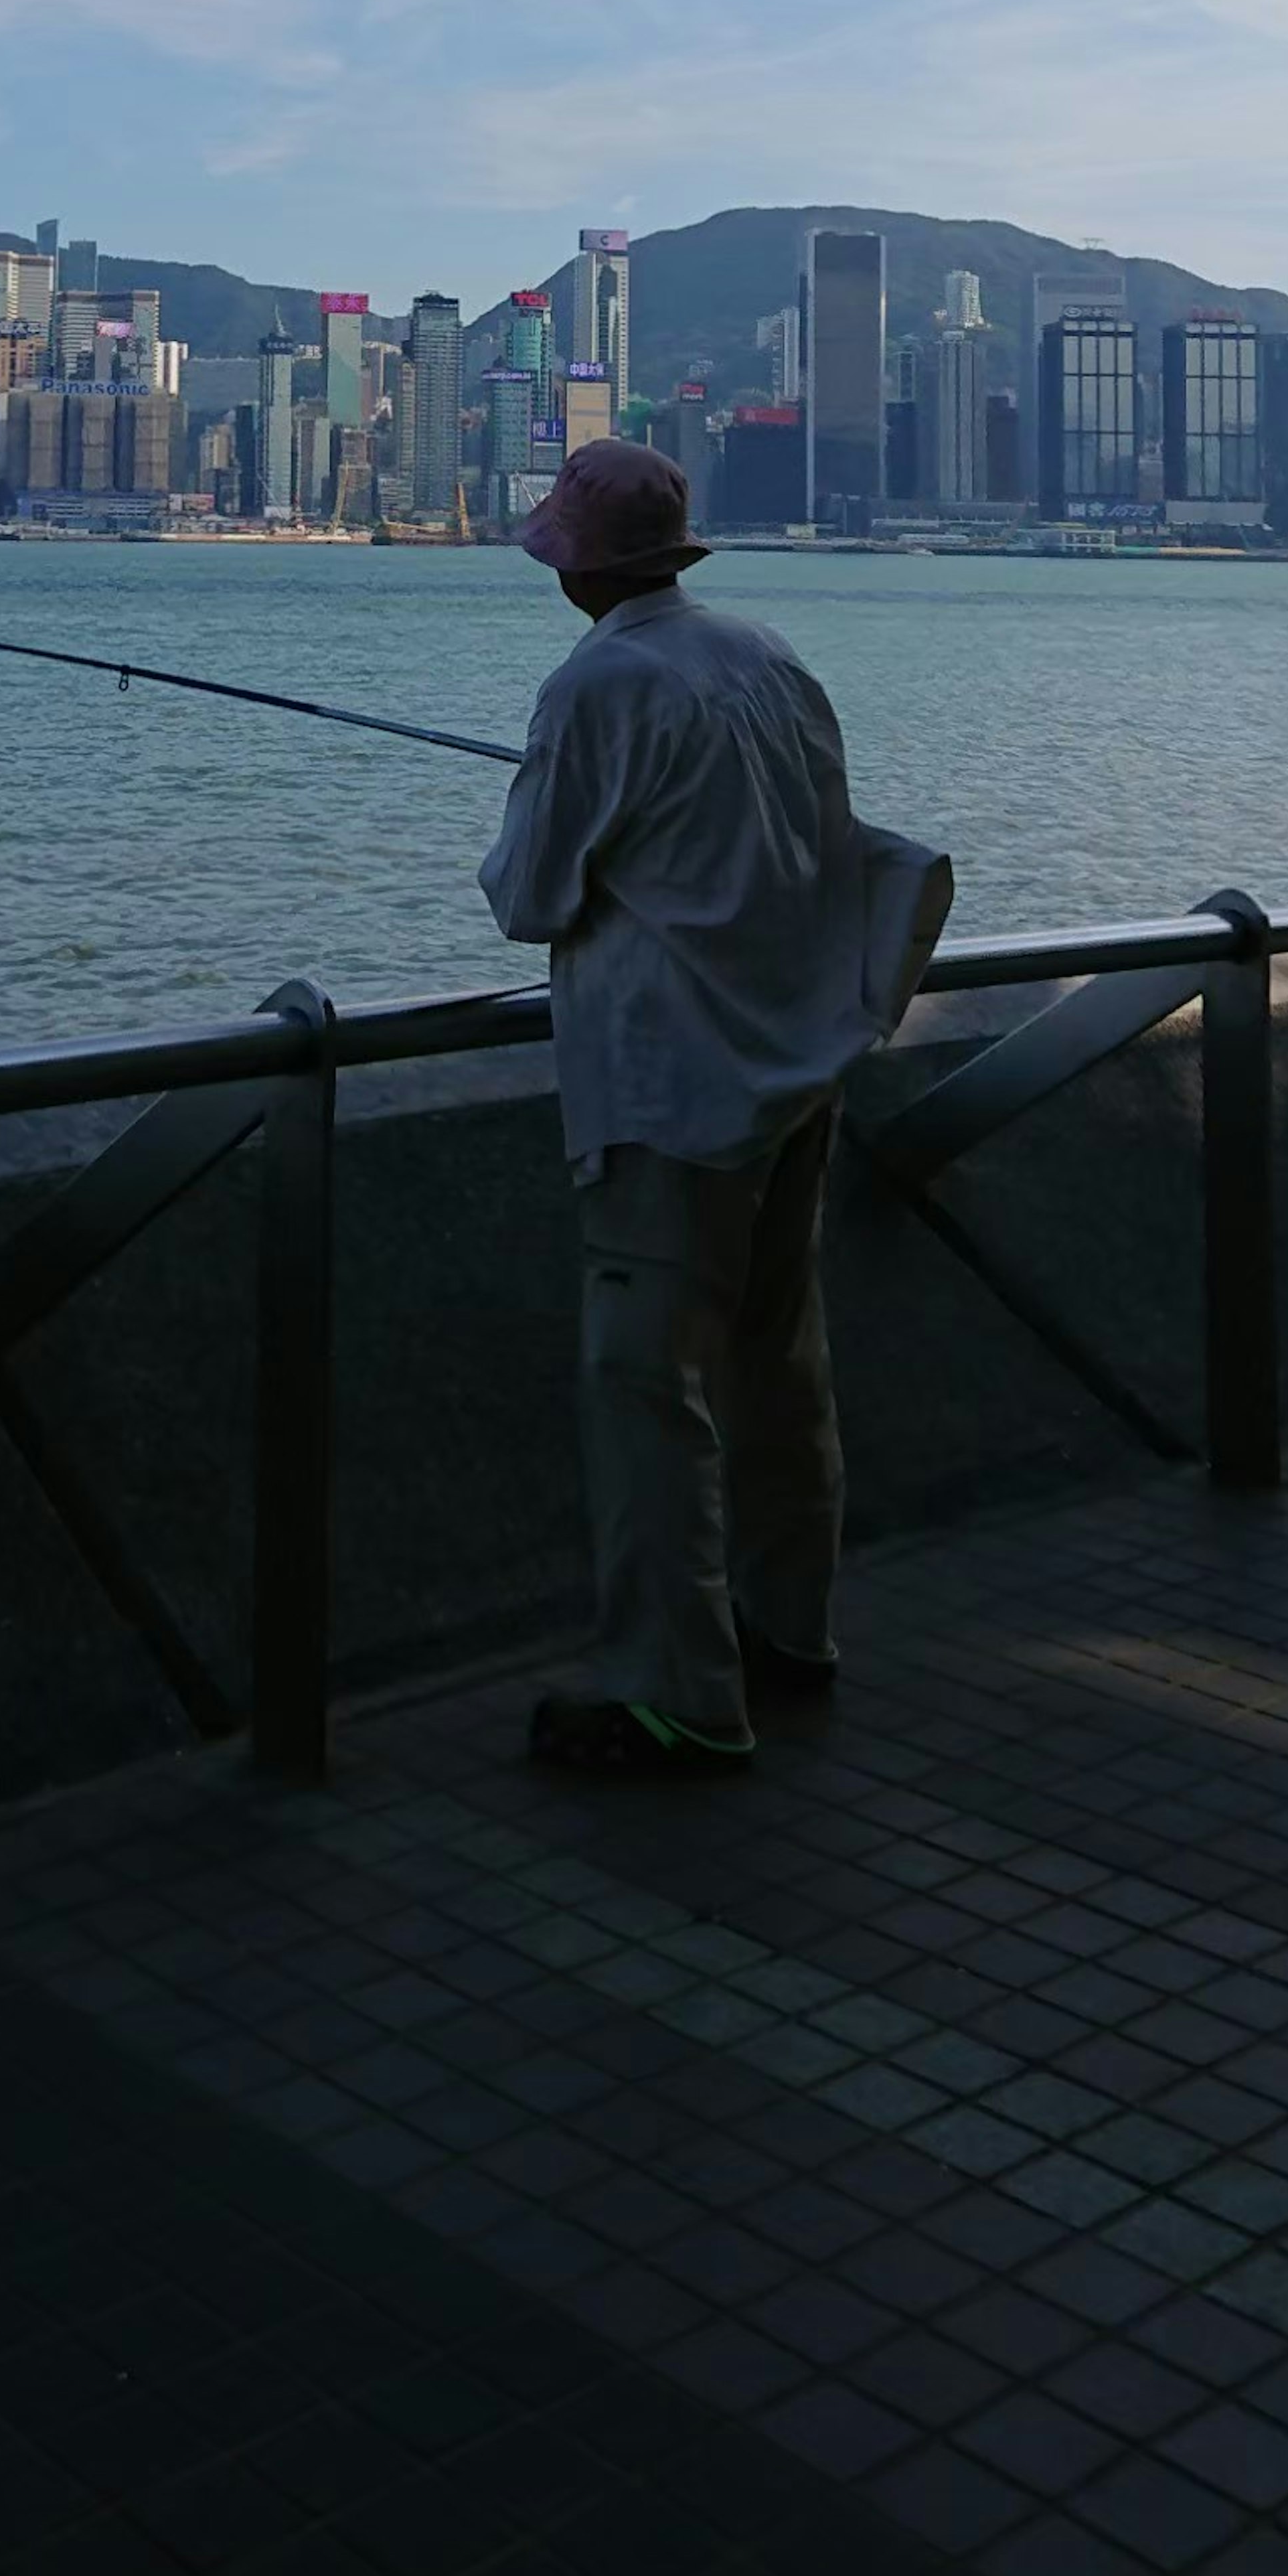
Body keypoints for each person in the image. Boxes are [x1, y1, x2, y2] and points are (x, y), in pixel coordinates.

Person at [480, 435, 949, 1779]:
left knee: (644, 1383)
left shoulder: (595, 686)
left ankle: (675, 1688)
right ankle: (787, 1629)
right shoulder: (766, 655)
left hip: (668, 1085)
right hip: (796, 1065)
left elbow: (528, 896)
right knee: (778, 1360)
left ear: (576, 567)